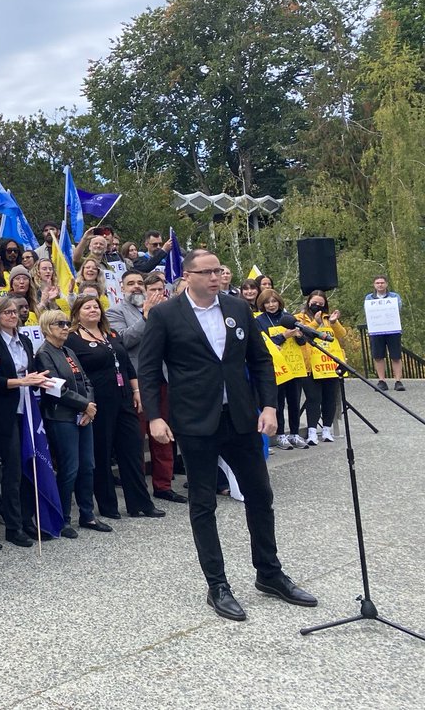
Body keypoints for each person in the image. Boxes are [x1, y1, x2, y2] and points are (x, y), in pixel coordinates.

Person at [138, 249, 317, 622]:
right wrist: (155, 416)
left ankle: (268, 572)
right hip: (196, 421)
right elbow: (150, 369)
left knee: (259, 494)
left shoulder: (237, 308)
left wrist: (269, 406)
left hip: (240, 416)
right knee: (203, 502)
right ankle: (217, 584)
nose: (216, 277)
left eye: (219, 270)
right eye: (207, 272)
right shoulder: (166, 315)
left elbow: (260, 360)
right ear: (188, 276)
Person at [66, 294, 162, 521]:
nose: (93, 310)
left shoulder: (111, 334)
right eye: (87, 307)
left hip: (124, 398)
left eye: (96, 307)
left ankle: (140, 503)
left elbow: (127, 365)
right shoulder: (73, 339)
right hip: (97, 402)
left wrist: (136, 391)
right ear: (77, 313)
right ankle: (108, 505)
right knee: (102, 452)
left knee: (132, 449)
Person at [0, 296, 50, 547]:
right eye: (6, 312)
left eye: (15, 312)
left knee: (29, 465)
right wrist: (21, 382)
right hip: (4, 412)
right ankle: (13, 525)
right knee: (11, 470)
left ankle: (28, 519)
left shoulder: (26, 341)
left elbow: (28, 373)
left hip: (28, 408)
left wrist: (37, 379)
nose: (12, 316)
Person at [107, 271, 184, 503]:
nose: (136, 287)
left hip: (163, 379)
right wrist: (146, 316)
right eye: (130, 284)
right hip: (137, 382)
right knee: (136, 438)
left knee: (163, 434)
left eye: (140, 283)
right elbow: (122, 342)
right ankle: (138, 488)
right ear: (121, 288)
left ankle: (164, 485)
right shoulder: (115, 312)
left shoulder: (165, 309)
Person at [32, 309, 103, 538]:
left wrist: (88, 407)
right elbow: (55, 388)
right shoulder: (44, 353)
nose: (65, 327)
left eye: (66, 323)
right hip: (61, 417)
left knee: (88, 465)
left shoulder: (69, 350)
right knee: (69, 468)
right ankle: (62, 519)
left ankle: (87, 514)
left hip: (83, 414)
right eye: (59, 324)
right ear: (47, 328)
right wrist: (84, 405)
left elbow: (86, 381)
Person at [255, 289, 307, 449]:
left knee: (294, 401)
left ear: (279, 302)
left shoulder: (289, 318)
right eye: (267, 302)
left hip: (294, 366)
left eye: (274, 301)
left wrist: (299, 336)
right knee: (277, 402)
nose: (271, 305)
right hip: (276, 368)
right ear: (262, 305)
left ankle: (294, 433)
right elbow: (262, 342)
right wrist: (283, 336)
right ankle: (280, 435)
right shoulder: (260, 321)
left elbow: (302, 342)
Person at [296, 291, 346, 445]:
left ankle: (326, 429)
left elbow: (341, 335)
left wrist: (334, 322)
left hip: (329, 365)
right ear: (308, 302)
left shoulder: (328, 318)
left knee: (330, 399)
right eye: (314, 302)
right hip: (310, 366)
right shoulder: (299, 318)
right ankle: (311, 431)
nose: (317, 306)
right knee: (313, 398)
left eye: (320, 304)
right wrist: (315, 323)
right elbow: (300, 335)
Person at [366, 275, 405, 391]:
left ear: (386, 284)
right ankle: (381, 380)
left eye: (382, 282)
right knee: (378, 356)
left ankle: (398, 381)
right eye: (377, 283)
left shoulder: (394, 296)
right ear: (374, 285)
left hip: (392, 330)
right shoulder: (369, 298)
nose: (380, 285)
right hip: (376, 331)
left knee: (396, 356)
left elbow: (398, 309)